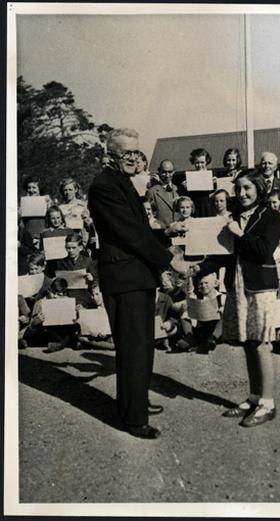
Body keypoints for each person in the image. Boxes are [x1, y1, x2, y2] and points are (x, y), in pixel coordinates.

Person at [88, 128, 187, 440]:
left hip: (135, 275)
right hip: (125, 277)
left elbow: (138, 229)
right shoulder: (104, 186)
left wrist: (164, 234)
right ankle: (133, 418)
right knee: (133, 347)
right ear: (111, 156)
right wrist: (169, 259)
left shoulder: (122, 182)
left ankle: (137, 401)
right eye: (127, 153)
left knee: (143, 344)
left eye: (136, 152)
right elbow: (129, 232)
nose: (134, 158)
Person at [204, 170, 280, 426]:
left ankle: (268, 404)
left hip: (260, 285)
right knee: (247, 342)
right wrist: (197, 269)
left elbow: (263, 251)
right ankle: (254, 396)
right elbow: (222, 254)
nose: (242, 193)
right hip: (237, 283)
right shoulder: (234, 217)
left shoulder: (271, 216)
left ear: (259, 188)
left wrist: (239, 233)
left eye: (247, 187)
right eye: (238, 189)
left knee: (260, 343)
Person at [179, 148, 217, 217]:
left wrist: (216, 184)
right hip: (196, 207)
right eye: (197, 162)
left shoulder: (213, 175)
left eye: (202, 162)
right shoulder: (190, 177)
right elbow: (187, 197)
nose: (199, 165)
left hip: (209, 207)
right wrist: (185, 188)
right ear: (194, 162)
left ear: (207, 161)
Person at [146, 160, 179, 226]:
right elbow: (148, 215)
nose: (167, 175)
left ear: (174, 171)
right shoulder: (152, 191)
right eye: (164, 172)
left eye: (170, 172)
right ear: (159, 171)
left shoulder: (177, 189)